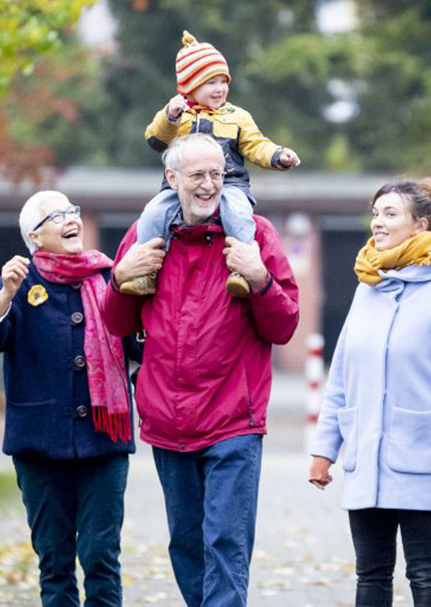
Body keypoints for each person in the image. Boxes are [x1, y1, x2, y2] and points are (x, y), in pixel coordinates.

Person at [101, 133, 300, 607]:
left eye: (217, 174)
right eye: (197, 175)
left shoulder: (254, 235)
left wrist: (259, 279)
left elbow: (285, 325)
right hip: (168, 422)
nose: (209, 185)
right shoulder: (145, 236)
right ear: (172, 179)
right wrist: (120, 279)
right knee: (187, 546)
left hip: (233, 420)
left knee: (226, 545)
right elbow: (116, 323)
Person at [307, 178, 431, 607]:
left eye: (390, 214)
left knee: (425, 572)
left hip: (422, 456)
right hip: (366, 456)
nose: (378, 223)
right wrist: (324, 449)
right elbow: (342, 377)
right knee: (370, 575)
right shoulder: (366, 288)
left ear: (420, 224)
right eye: (376, 214)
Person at [0, 190, 138, 607]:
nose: (70, 219)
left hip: (104, 443)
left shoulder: (109, 278)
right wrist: (5, 295)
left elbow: (139, 345)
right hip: (40, 445)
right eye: (56, 216)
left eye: (71, 211)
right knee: (55, 562)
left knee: (101, 557)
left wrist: (145, 314)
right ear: (35, 238)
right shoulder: (21, 283)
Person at [120, 30, 301, 298]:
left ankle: (241, 268)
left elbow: (255, 144)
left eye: (222, 81)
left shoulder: (236, 116)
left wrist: (278, 155)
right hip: (180, 187)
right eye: (210, 83)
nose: (219, 89)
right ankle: (146, 272)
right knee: (152, 214)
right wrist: (169, 116)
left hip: (229, 182)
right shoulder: (178, 115)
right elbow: (155, 140)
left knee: (238, 213)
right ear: (189, 87)